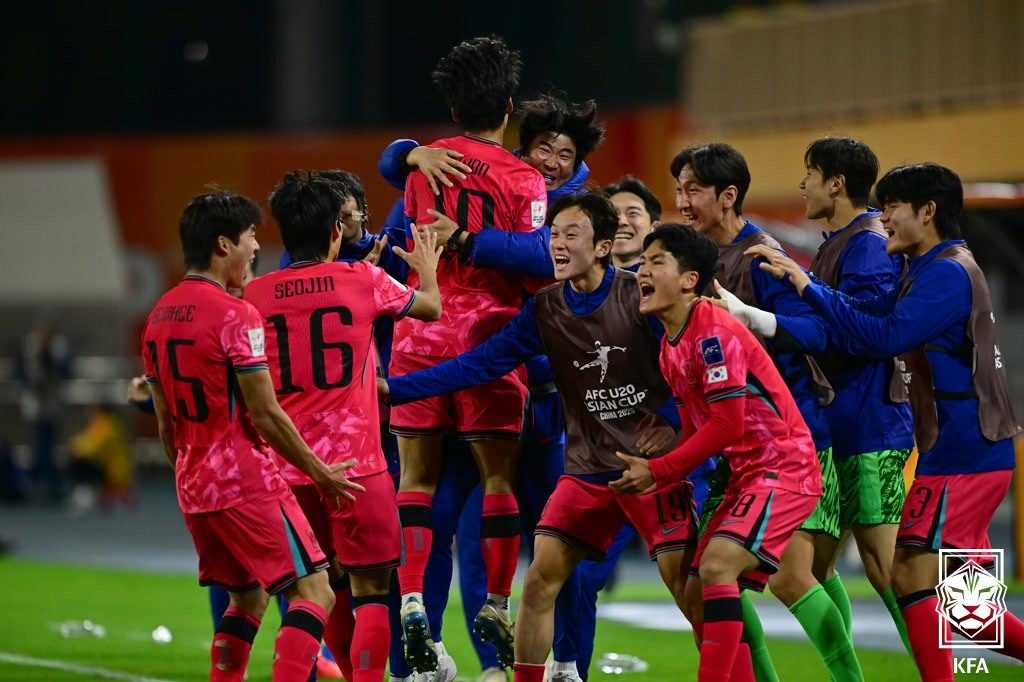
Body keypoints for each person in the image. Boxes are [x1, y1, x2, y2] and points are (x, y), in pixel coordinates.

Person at [380, 192, 695, 678]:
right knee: (541, 578)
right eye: (553, 235)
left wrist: (673, 421)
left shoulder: (641, 296)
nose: (558, 245)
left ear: (605, 246)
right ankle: (547, 672)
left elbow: (689, 367)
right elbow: (481, 364)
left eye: (572, 235)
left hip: (652, 470)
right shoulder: (546, 307)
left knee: (689, 586)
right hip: (588, 471)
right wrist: (396, 389)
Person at [750, 162, 1024, 677]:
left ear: (928, 211)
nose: (885, 219)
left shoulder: (947, 274)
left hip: (965, 457)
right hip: (962, 455)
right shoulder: (931, 266)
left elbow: (882, 337)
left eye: (894, 206)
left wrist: (806, 286)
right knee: (973, 614)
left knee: (909, 574)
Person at [142, 189, 363, 681]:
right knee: (316, 591)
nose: (256, 247)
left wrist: (191, 475)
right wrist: (320, 472)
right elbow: (266, 414)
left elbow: (164, 424)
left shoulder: (157, 317)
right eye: (249, 237)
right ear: (223, 245)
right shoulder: (235, 315)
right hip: (244, 479)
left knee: (246, 597)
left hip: (193, 485)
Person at [389, 35, 549, 674]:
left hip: (420, 334)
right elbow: (540, 265)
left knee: (416, 482)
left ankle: (409, 600)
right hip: (490, 338)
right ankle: (500, 602)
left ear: (453, 112)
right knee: (499, 480)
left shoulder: (421, 167)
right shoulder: (526, 177)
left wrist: (409, 154)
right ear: (508, 106)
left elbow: (411, 236)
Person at [244, 171, 443, 682]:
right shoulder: (365, 280)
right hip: (360, 467)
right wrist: (427, 268)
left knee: (313, 590)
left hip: (287, 474)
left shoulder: (254, 296)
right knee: (372, 593)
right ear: (337, 229)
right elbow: (430, 308)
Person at [612, 223, 825, 682]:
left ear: (689, 279)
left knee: (721, 566)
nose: (640, 272)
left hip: (783, 468)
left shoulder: (712, 329)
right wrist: (661, 476)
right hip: (746, 475)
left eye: (655, 262)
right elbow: (696, 428)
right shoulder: (672, 345)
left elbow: (728, 424)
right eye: (641, 262)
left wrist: (658, 470)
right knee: (696, 591)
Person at [729, 137, 917, 651]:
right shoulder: (841, 241)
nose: (801, 186)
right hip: (843, 426)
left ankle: (953, 667)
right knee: (813, 568)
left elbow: (871, 330)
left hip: (873, 426)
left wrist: (799, 291)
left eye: (808, 174)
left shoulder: (868, 244)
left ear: (836, 182)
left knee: (891, 572)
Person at [604, 175, 662, 270]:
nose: (621, 222)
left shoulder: (671, 282)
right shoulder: (581, 281)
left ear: (654, 228)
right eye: (613, 214)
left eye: (633, 213)